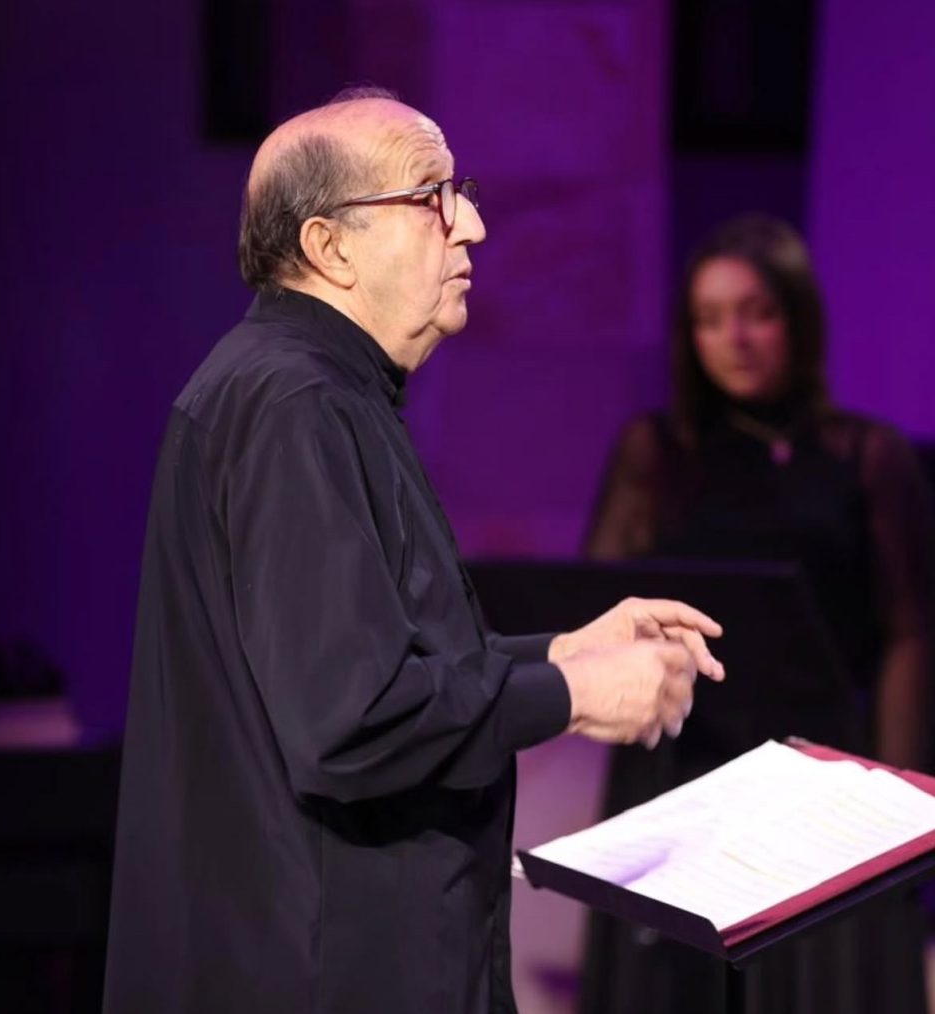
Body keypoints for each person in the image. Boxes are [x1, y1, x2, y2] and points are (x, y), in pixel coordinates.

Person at [101, 87, 725, 1014]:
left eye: (460, 192)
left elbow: (384, 659)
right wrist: (574, 694)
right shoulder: (295, 405)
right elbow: (352, 720)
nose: (471, 224)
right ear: (330, 247)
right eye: (432, 196)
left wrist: (560, 651)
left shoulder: (318, 392)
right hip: (321, 974)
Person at [578, 214, 935, 1014]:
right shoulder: (657, 453)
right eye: (709, 319)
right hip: (683, 768)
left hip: (822, 776)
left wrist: (903, 809)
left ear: (798, 320)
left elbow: (910, 631)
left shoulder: (866, 455)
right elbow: (599, 610)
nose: (732, 339)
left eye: (756, 313)